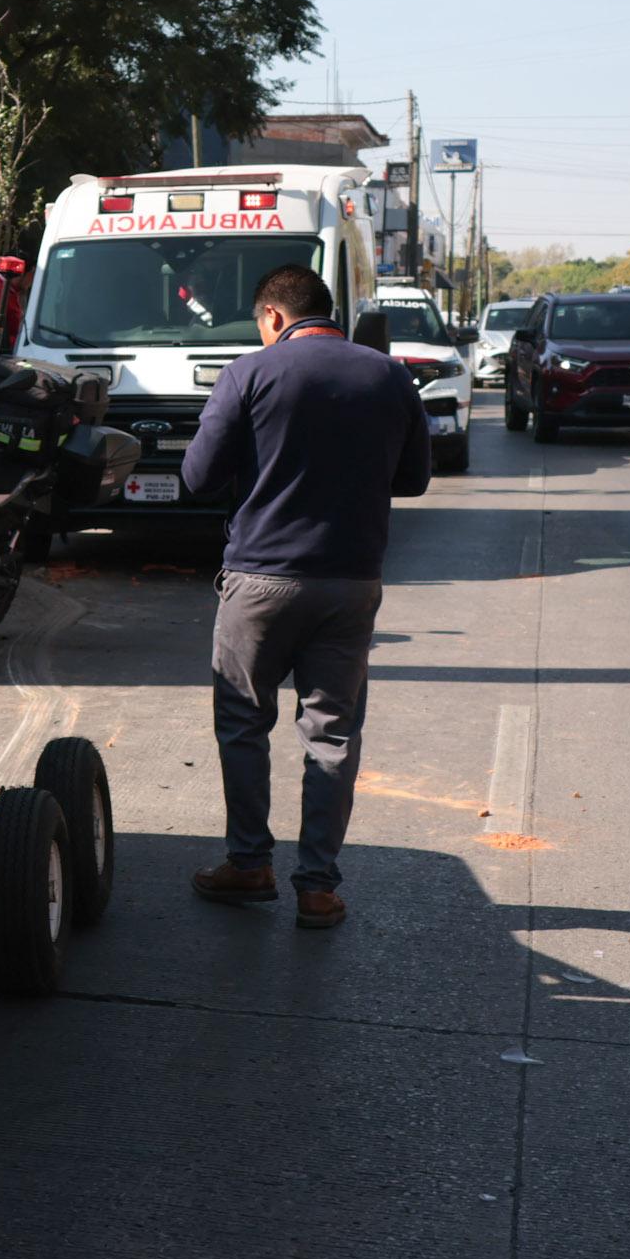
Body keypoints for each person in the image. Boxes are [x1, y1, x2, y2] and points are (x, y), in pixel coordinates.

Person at [178, 262, 430, 928]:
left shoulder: (250, 374)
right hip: (351, 583)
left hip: (259, 581)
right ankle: (318, 888)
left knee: (243, 722)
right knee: (332, 735)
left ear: (273, 318)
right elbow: (416, 478)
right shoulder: (387, 374)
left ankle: (249, 863)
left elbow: (198, 478)